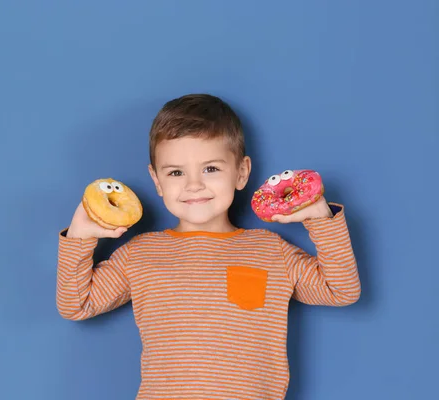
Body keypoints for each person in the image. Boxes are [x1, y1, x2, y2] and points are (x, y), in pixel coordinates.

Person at [56, 94, 361, 399]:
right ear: (157, 180)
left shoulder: (270, 250)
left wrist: (319, 216)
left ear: (241, 172)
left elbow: (341, 289)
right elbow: (76, 304)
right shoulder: (140, 254)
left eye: (211, 169)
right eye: (176, 172)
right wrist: (81, 236)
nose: (193, 185)